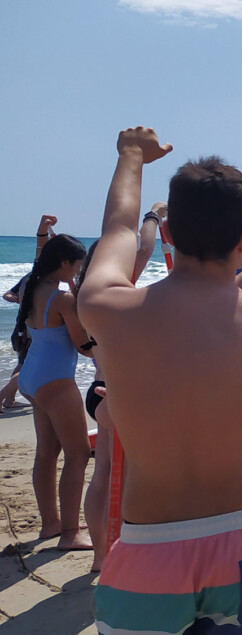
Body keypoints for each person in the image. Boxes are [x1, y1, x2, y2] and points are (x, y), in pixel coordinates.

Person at [79, 127, 242, 633]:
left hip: (153, 547)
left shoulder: (111, 309)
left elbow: (118, 231)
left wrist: (132, 156)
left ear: (169, 236)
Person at [82, 201, 166, 572]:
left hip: (99, 389)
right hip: (117, 393)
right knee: (125, 474)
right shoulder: (113, 293)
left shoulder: (86, 294)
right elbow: (143, 248)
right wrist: (152, 215)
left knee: (102, 472)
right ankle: (115, 552)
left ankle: (102, 555)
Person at [16, 233, 94, 552]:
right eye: (76, 267)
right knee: (78, 453)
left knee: (47, 453)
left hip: (32, 377)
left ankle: (51, 524)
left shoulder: (29, 287)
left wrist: (42, 235)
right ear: (63, 263)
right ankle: (70, 533)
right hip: (56, 381)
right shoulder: (62, 299)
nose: (76, 273)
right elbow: (84, 346)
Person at [1, 214, 59, 409]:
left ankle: (8, 400)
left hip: (25, 327)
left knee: (23, 365)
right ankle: (2, 397)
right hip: (30, 330)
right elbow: (40, 250)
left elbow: (41, 251)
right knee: (26, 367)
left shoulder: (35, 279)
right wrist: (43, 230)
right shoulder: (38, 279)